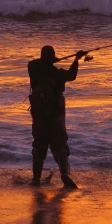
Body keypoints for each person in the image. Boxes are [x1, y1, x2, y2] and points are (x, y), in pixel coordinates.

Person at [27, 45, 87, 189]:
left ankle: (36, 178)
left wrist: (50, 61)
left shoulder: (34, 70)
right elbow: (72, 75)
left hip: (39, 116)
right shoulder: (57, 74)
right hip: (56, 116)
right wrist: (76, 59)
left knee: (39, 145)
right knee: (60, 145)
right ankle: (65, 174)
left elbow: (33, 63)